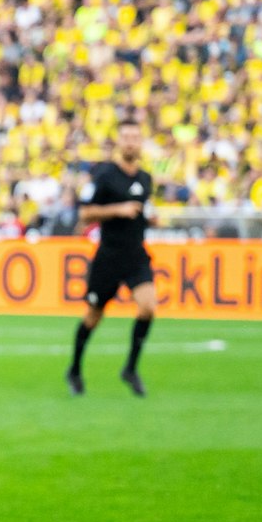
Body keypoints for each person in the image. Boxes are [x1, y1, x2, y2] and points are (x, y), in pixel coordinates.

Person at [67, 118, 157, 397]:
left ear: (140, 142)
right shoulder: (105, 175)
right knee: (93, 316)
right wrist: (118, 210)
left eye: (135, 137)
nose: (130, 141)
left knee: (148, 307)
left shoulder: (145, 179)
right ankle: (75, 369)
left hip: (136, 255)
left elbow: (140, 212)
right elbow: (85, 213)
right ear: (119, 142)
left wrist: (151, 220)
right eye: (126, 136)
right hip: (109, 255)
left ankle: (130, 368)